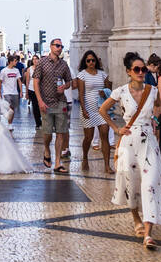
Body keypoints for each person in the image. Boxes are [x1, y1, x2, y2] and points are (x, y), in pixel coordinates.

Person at [99, 54, 161, 250]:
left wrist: (154, 122)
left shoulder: (153, 90)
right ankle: (136, 218)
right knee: (131, 183)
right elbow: (103, 110)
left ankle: (148, 234)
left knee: (149, 185)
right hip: (128, 141)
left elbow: (158, 107)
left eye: (143, 69)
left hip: (148, 141)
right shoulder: (120, 91)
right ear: (129, 71)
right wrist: (116, 128)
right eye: (136, 69)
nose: (141, 73)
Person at [34, 38, 72, 172]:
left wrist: (64, 86)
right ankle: (46, 150)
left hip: (60, 102)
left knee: (61, 132)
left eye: (61, 46)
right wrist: (39, 101)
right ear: (50, 47)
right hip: (46, 102)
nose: (59, 48)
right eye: (57, 45)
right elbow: (36, 82)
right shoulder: (42, 62)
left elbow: (69, 81)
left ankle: (57, 162)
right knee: (47, 132)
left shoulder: (63, 65)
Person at [75, 50, 112, 172]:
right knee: (88, 137)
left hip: (101, 109)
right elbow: (81, 94)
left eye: (93, 60)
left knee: (105, 135)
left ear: (96, 61)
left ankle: (107, 165)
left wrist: (104, 92)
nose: (91, 62)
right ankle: (85, 157)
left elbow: (109, 90)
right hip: (88, 110)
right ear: (85, 62)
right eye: (88, 60)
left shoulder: (102, 74)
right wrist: (83, 109)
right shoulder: (82, 75)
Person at [0, 55, 23, 120]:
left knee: (13, 109)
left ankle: (10, 122)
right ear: (10, 62)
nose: (16, 62)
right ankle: (8, 118)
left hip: (15, 92)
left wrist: (21, 91)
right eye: (15, 61)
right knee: (9, 107)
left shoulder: (16, 70)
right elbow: (0, 82)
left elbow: (19, 81)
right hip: (6, 92)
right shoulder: (4, 71)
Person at [25, 54, 43, 129]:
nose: (35, 60)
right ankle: (38, 123)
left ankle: (42, 121)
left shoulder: (42, 68)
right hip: (32, 89)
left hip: (40, 90)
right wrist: (26, 92)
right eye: (33, 59)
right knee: (35, 107)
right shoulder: (29, 69)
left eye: (36, 59)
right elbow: (27, 81)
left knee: (41, 106)